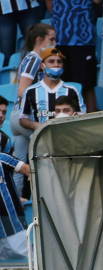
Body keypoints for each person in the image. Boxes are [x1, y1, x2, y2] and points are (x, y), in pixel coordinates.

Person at [10, 22, 54, 168]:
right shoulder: (35, 58)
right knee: (47, 152)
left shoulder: (31, 58)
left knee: (20, 165)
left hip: (18, 116)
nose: (55, 43)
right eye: (52, 40)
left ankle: (15, 191)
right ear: (39, 40)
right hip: (24, 117)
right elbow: (22, 90)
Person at [19, 47, 86, 131]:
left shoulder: (72, 90)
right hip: (43, 139)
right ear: (42, 66)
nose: (56, 64)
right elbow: (23, 118)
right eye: (51, 61)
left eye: (59, 61)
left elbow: (82, 116)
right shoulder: (31, 91)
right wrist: (35, 125)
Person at [48, 0, 98, 113]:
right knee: (61, 85)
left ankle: (92, 119)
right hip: (59, 37)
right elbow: (49, 4)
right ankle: (64, 119)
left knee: (87, 84)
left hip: (83, 37)